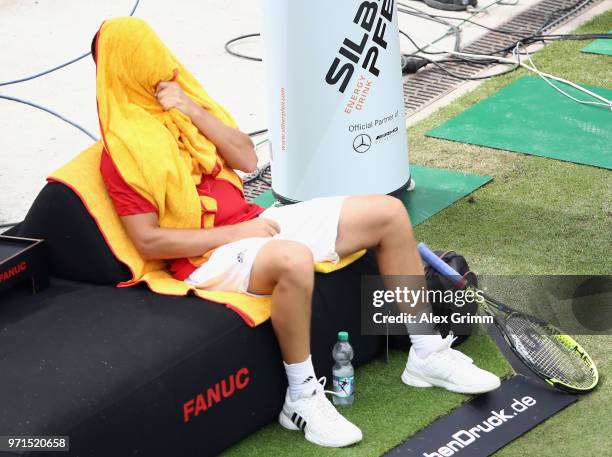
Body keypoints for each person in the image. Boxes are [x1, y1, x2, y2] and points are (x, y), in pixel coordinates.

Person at [93, 18, 499, 449]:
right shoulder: (121, 152)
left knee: (387, 212)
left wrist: (191, 110)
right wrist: (235, 234)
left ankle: (427, 354)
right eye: (147, 59)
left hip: (253, 225)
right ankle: (301, 397)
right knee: (292, 258)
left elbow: (247, 159)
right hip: (204, 259)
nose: (161, 67)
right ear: (125, 68)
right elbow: (150, 242)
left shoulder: (185, 111)